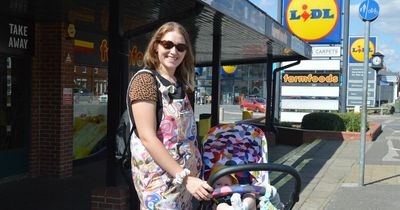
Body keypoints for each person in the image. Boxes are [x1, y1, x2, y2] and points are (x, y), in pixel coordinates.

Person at [128, 21, 213, 209]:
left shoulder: (180, 83)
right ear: (156, 46)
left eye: (180, 47)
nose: (174, 51)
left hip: (185, 184)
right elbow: (147, 137)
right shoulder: (145, 81)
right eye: (168, 45)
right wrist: (184, 177)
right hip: (161, 184)